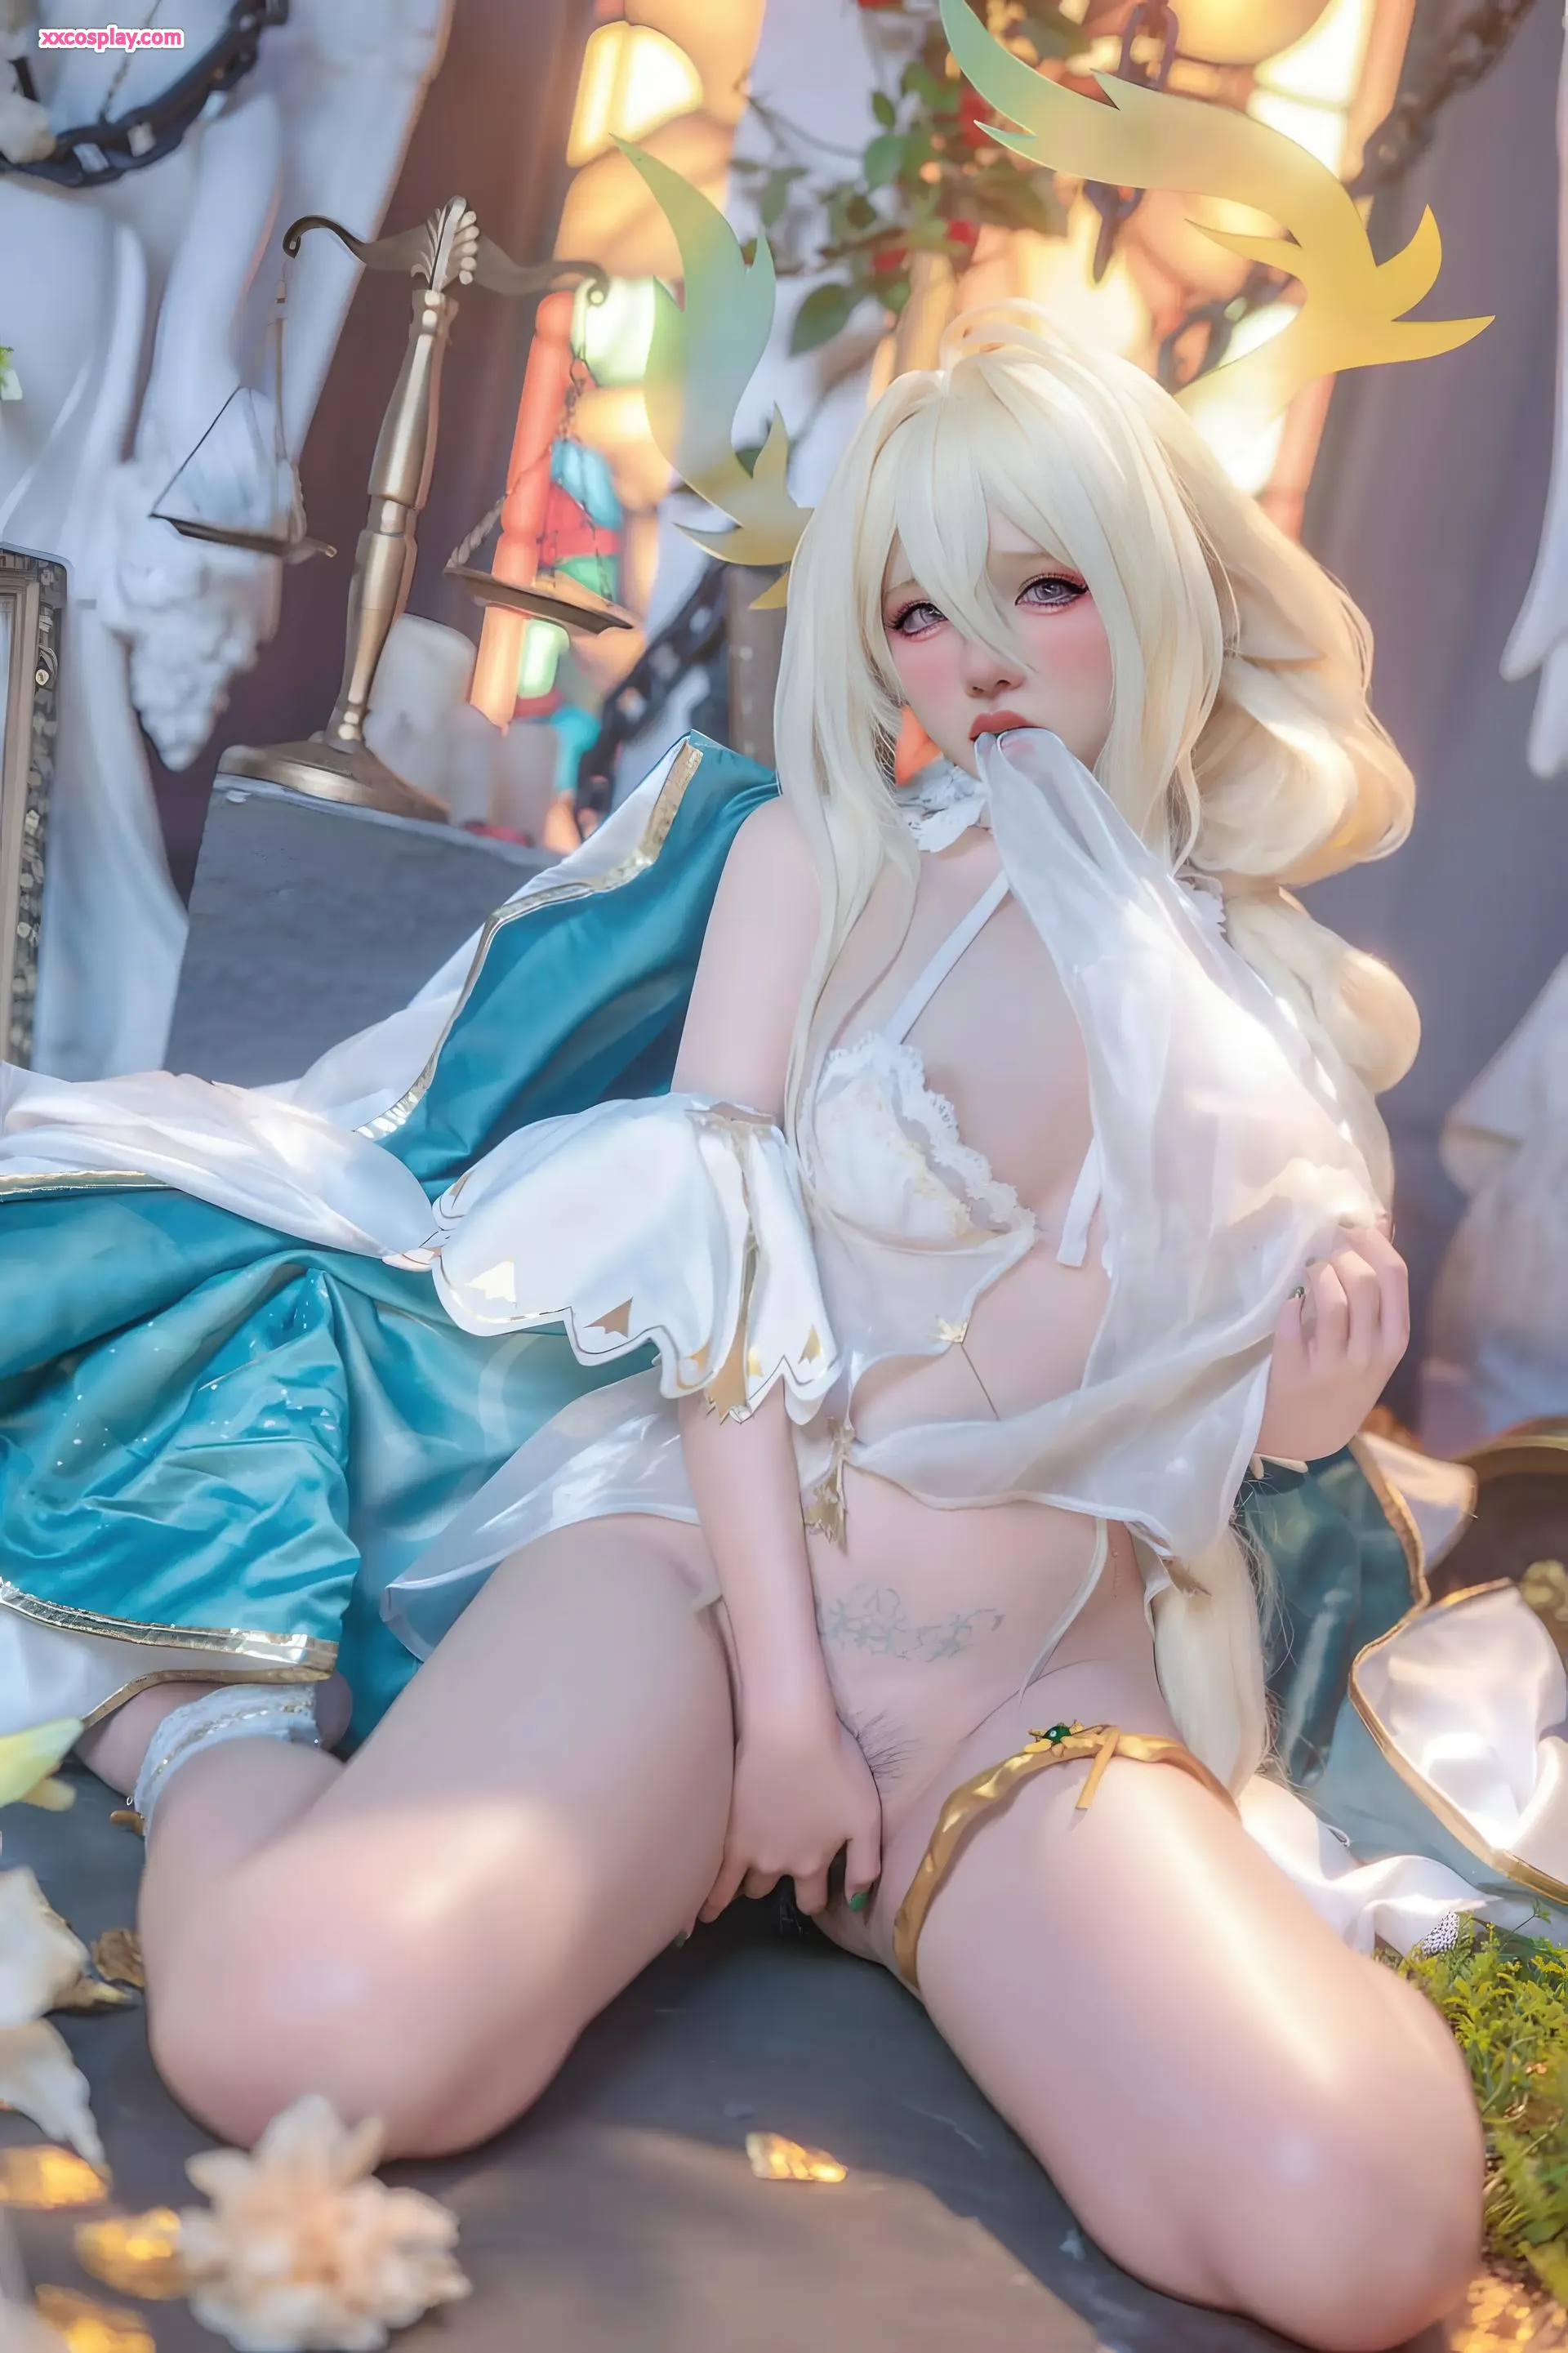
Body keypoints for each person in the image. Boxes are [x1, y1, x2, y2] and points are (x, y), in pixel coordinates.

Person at [10, 314, 1485, 2352]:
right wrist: (783, 1718)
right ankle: (204, 1727)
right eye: (920, 614)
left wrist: (1308, 1419)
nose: (979, 661)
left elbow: (1208, 1432)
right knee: (298, 2040)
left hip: (1021, 1704)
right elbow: (720, 1314)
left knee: (1363, 2231)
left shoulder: (1281, 1003)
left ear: (1164, 588)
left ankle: (954, 1919)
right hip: (709, 1595)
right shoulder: (824, 867)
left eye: (1045, 590)